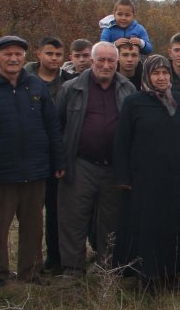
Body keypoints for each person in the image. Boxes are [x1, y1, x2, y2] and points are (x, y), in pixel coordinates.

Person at [0, 35, 65, 287]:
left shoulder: (35, 86)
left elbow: (51, 126)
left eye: (18, 54)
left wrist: (57, 160)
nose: (13, 58)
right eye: (7, 54)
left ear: (25, 57)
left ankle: (30, 272)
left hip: (35, 170)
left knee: (33, 226)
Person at [113, 55, 180, 292]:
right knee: (147, 226)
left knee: (174, 225)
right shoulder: (134, 103)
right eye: (156, 73)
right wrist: (123, 177)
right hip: (145, 179)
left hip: (177, 178)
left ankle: (171, 273)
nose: (161, 78)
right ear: (147, 76)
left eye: (165, 73)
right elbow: (122, 142)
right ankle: (146, 275)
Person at [54, 42, 136, 276]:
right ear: (92, 61)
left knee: (111, 220)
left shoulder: (127, 88)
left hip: (114, 167)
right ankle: (72, 268)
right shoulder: (71, 88)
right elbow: (57, 126)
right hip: (80, 164)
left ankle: (107, 267)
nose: (106, 65)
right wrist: (60, 160)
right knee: (73, 217)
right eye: (101, 60)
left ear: (117, 63)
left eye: (111, 61)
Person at [24, 35, 73, 274]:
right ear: (38, 54)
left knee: (56, 211)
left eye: (58, 55)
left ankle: (56, 259)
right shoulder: (25, 81)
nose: (54, 59)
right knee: (31, 214)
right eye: (49, 54)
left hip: (58, 153)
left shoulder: (70, 82)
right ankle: (30, 263)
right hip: (30, 154)